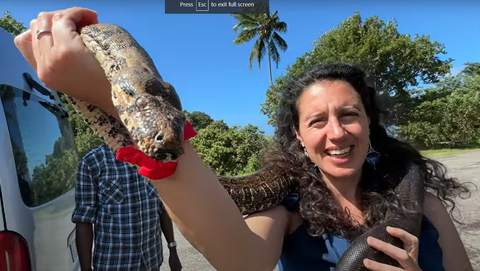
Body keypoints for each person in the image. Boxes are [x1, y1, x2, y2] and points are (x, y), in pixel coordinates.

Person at [16, 7, 474, 271]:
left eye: (349, 115)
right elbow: (239, 261)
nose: (336, 132)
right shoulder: (286, 211)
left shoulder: (424, 203)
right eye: (317, 121)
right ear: (298, 135)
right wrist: (107, 99)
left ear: (370, 124)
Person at [71, 143, 182, 271]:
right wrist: (86, 268)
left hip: (151, 260)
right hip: (114, 263)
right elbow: (84, 220)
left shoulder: (152, 156)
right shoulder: (92, 162)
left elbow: (162, 208)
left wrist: (172, 248)